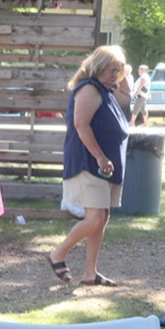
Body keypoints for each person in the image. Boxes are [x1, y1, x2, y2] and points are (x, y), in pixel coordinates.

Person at [48, 45, 129, 288]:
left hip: (102, 166)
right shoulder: (89, 89)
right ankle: (58, 253)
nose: (115, 75)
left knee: (102, 217)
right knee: (94, 217)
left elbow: (127, 98)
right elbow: (82, 126)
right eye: (112, 69)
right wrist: (101, 158)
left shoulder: (105, 90)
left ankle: (90, 273)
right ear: (98, 66)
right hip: (88, 162)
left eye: (118, 71)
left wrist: (125, 71)